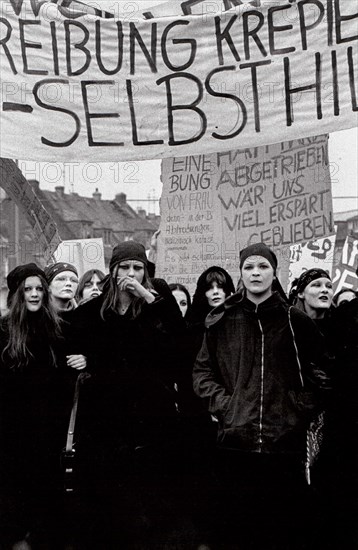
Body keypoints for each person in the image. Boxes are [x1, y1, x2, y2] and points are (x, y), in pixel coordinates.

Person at [193, 243, 331, 550]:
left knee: (280, 530)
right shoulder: (222, 319)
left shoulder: (296, 321)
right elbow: (202, 373)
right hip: (236, 443)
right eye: (249, 267)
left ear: (274, 271)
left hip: (284, 445)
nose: (256, 273)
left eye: (263, 266)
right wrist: (228, 406)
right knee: (238, 529)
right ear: (240, 273)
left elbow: (322, 375)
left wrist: (297, 408)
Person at [70, 241, 191, 548]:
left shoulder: (155, 306)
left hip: (149, 419)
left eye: (138, 268)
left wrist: (148, 297)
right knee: (106, 502)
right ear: (114, 271)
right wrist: (88, 360)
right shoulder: (93, 311)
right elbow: (79, 347)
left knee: (146, 502)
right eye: (125, 267)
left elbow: (179, 343)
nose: (131, 274)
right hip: (104, 420)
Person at [0, 263, 69, 550]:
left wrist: (83, 361)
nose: (35, 294)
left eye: (40, 288)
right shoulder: (4, 331)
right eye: (28, 289)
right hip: (11, 431)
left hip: (49, 429)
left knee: (46, 500)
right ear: (17, 294)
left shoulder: (57, 328)